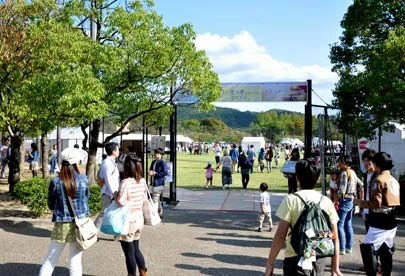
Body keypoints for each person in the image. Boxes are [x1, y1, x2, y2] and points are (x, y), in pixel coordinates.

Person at [265, 159, 343, 276]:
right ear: (317, 179)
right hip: (319, 258)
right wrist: (335, 267)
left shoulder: (291, 200)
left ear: (297, 178)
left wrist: (270, 264)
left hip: (294, 258)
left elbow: (280, 237)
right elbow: (335, 237)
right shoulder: (326, 202)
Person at [39, 148, 90, 276]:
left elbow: (51, 204)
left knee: (51, 259)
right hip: (80, 225)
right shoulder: (84, 180)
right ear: (76, 162)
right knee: (75, 260)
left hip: (62, 224)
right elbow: (85, 200)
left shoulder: (56, 181)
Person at [354, 152, 400, 276]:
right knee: (386, 250)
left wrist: (360, 202)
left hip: (379, 221)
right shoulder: (394, 180)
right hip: (392, 220)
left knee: (368, 251)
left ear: (377, 164)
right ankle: (387, 273)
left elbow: (376, 204)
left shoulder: (378, 180)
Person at [114, 153, 148, 276]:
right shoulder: (142, 181)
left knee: (129, 252)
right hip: (139, 218)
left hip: (128, 220)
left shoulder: (126, 183)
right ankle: (143, 273)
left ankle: (131, 274)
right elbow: (144, 198)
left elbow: (121, 201)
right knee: (136, 249)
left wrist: (115, 195)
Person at [336, 155, 364, 255]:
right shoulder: (353, 172)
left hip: (345, 200)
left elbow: (342, 190)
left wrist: (336, 198)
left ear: (345, 163)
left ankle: (342, 248)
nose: (338, 163)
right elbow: (361, 184)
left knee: (339, 224)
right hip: (352, 200)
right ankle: (349, 247)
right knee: (348, 224)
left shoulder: (344, 173)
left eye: (340, 161)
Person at [94, 142, 120, 230]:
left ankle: (117, 233)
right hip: (108, 193)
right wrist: (114, 193)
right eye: (117, 149)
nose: (118, 151)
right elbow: (108, 180)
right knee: (104, 212)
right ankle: (93, 231)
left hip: (113, 192)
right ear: (113, 151)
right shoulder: (107, 163)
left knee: (115, 212)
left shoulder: (111, 162)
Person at [361, 149, 377, 232]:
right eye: (364, 161)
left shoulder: (378, 175)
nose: (365, 163)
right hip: (366, 208)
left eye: (368, 161)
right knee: (368, 232)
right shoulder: (366, 174)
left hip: (375, 210)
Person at [149, 148, 168, 217]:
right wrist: (150, 172)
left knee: (155, 199)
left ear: (161, 154)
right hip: (153, 182)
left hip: (159, 183)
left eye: (158, 153)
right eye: (155, 153)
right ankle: (160, 211)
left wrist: (155, 173)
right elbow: (151, 169)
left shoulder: (162, 162)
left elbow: (165, 172)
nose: (156, 154)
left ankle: (155, 214)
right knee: (157, 198)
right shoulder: (153, 162)